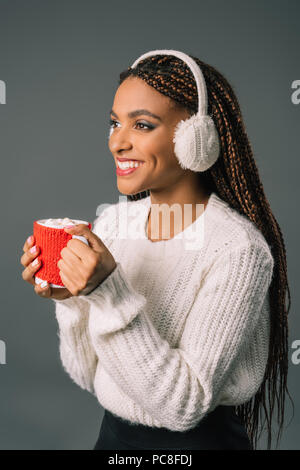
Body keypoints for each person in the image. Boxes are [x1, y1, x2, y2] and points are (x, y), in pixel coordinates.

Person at [20, 50, 293, 450]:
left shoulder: (238, 251)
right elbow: (87, 374)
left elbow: (183, 407)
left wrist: (107, 292)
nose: (118, 141)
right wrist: (74, 298)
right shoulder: (114, 224)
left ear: (195, 139)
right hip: (112, 441)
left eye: (142, 125)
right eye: (114, 123)